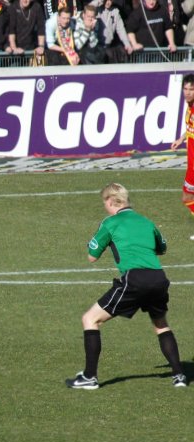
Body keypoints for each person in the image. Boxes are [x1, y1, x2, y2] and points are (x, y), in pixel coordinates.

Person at [65, 183, 187, 390]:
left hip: (134, 279)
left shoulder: (110, 222)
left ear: (111, 201)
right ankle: (179, 376)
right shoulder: (146, 221)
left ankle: (89, 377)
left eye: (105, 202)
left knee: (90, 319)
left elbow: (91, 257)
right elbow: (162, 248)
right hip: (158, 278)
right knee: (160, 324)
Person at [170, 73, 194, 225]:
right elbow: (190, 128)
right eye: (185, 88)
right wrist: (181, 139)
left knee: (187, 198)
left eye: (191, 89)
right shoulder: (189, 107)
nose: (187, 92)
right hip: (191, 163)